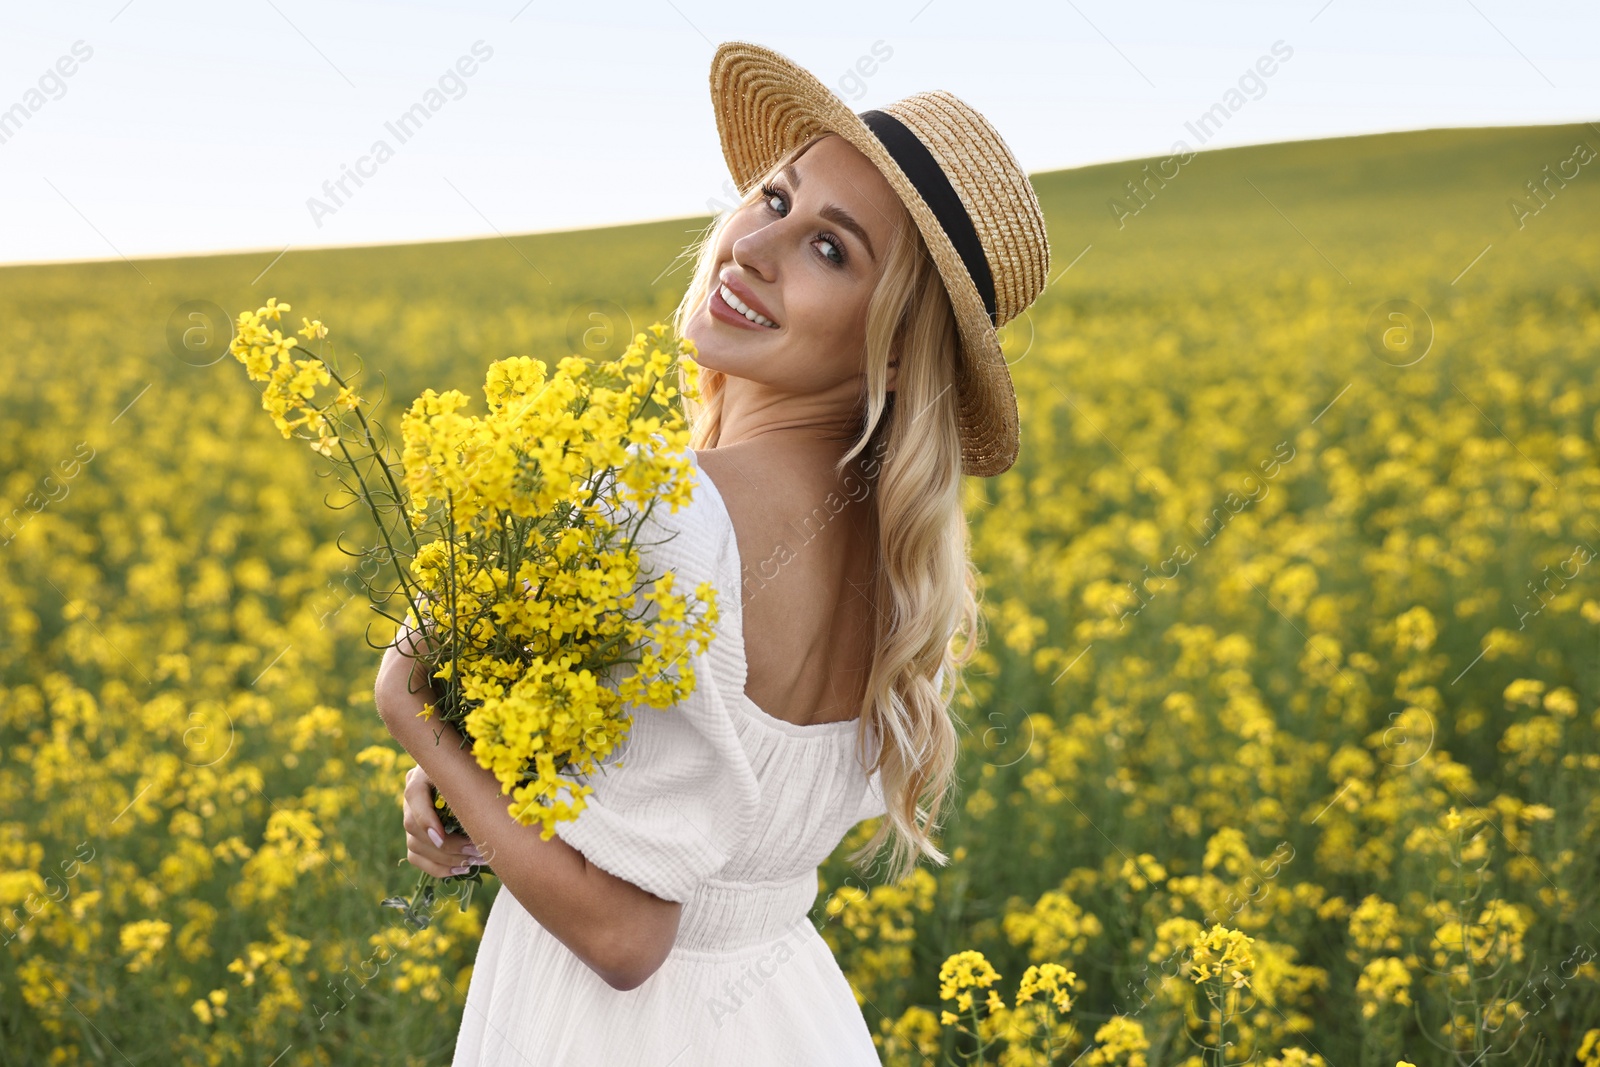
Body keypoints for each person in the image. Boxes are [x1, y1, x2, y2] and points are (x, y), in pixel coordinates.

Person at [374, 39, 1052, 1066]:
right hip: (787, 1017)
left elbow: (626, 931)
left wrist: (413, 713)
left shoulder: (667, 514)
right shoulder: (903, 576)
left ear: (901, 345)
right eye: (776, 200)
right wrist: (482, 779)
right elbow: (665, 796)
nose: (756, 247)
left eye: (833, 250)